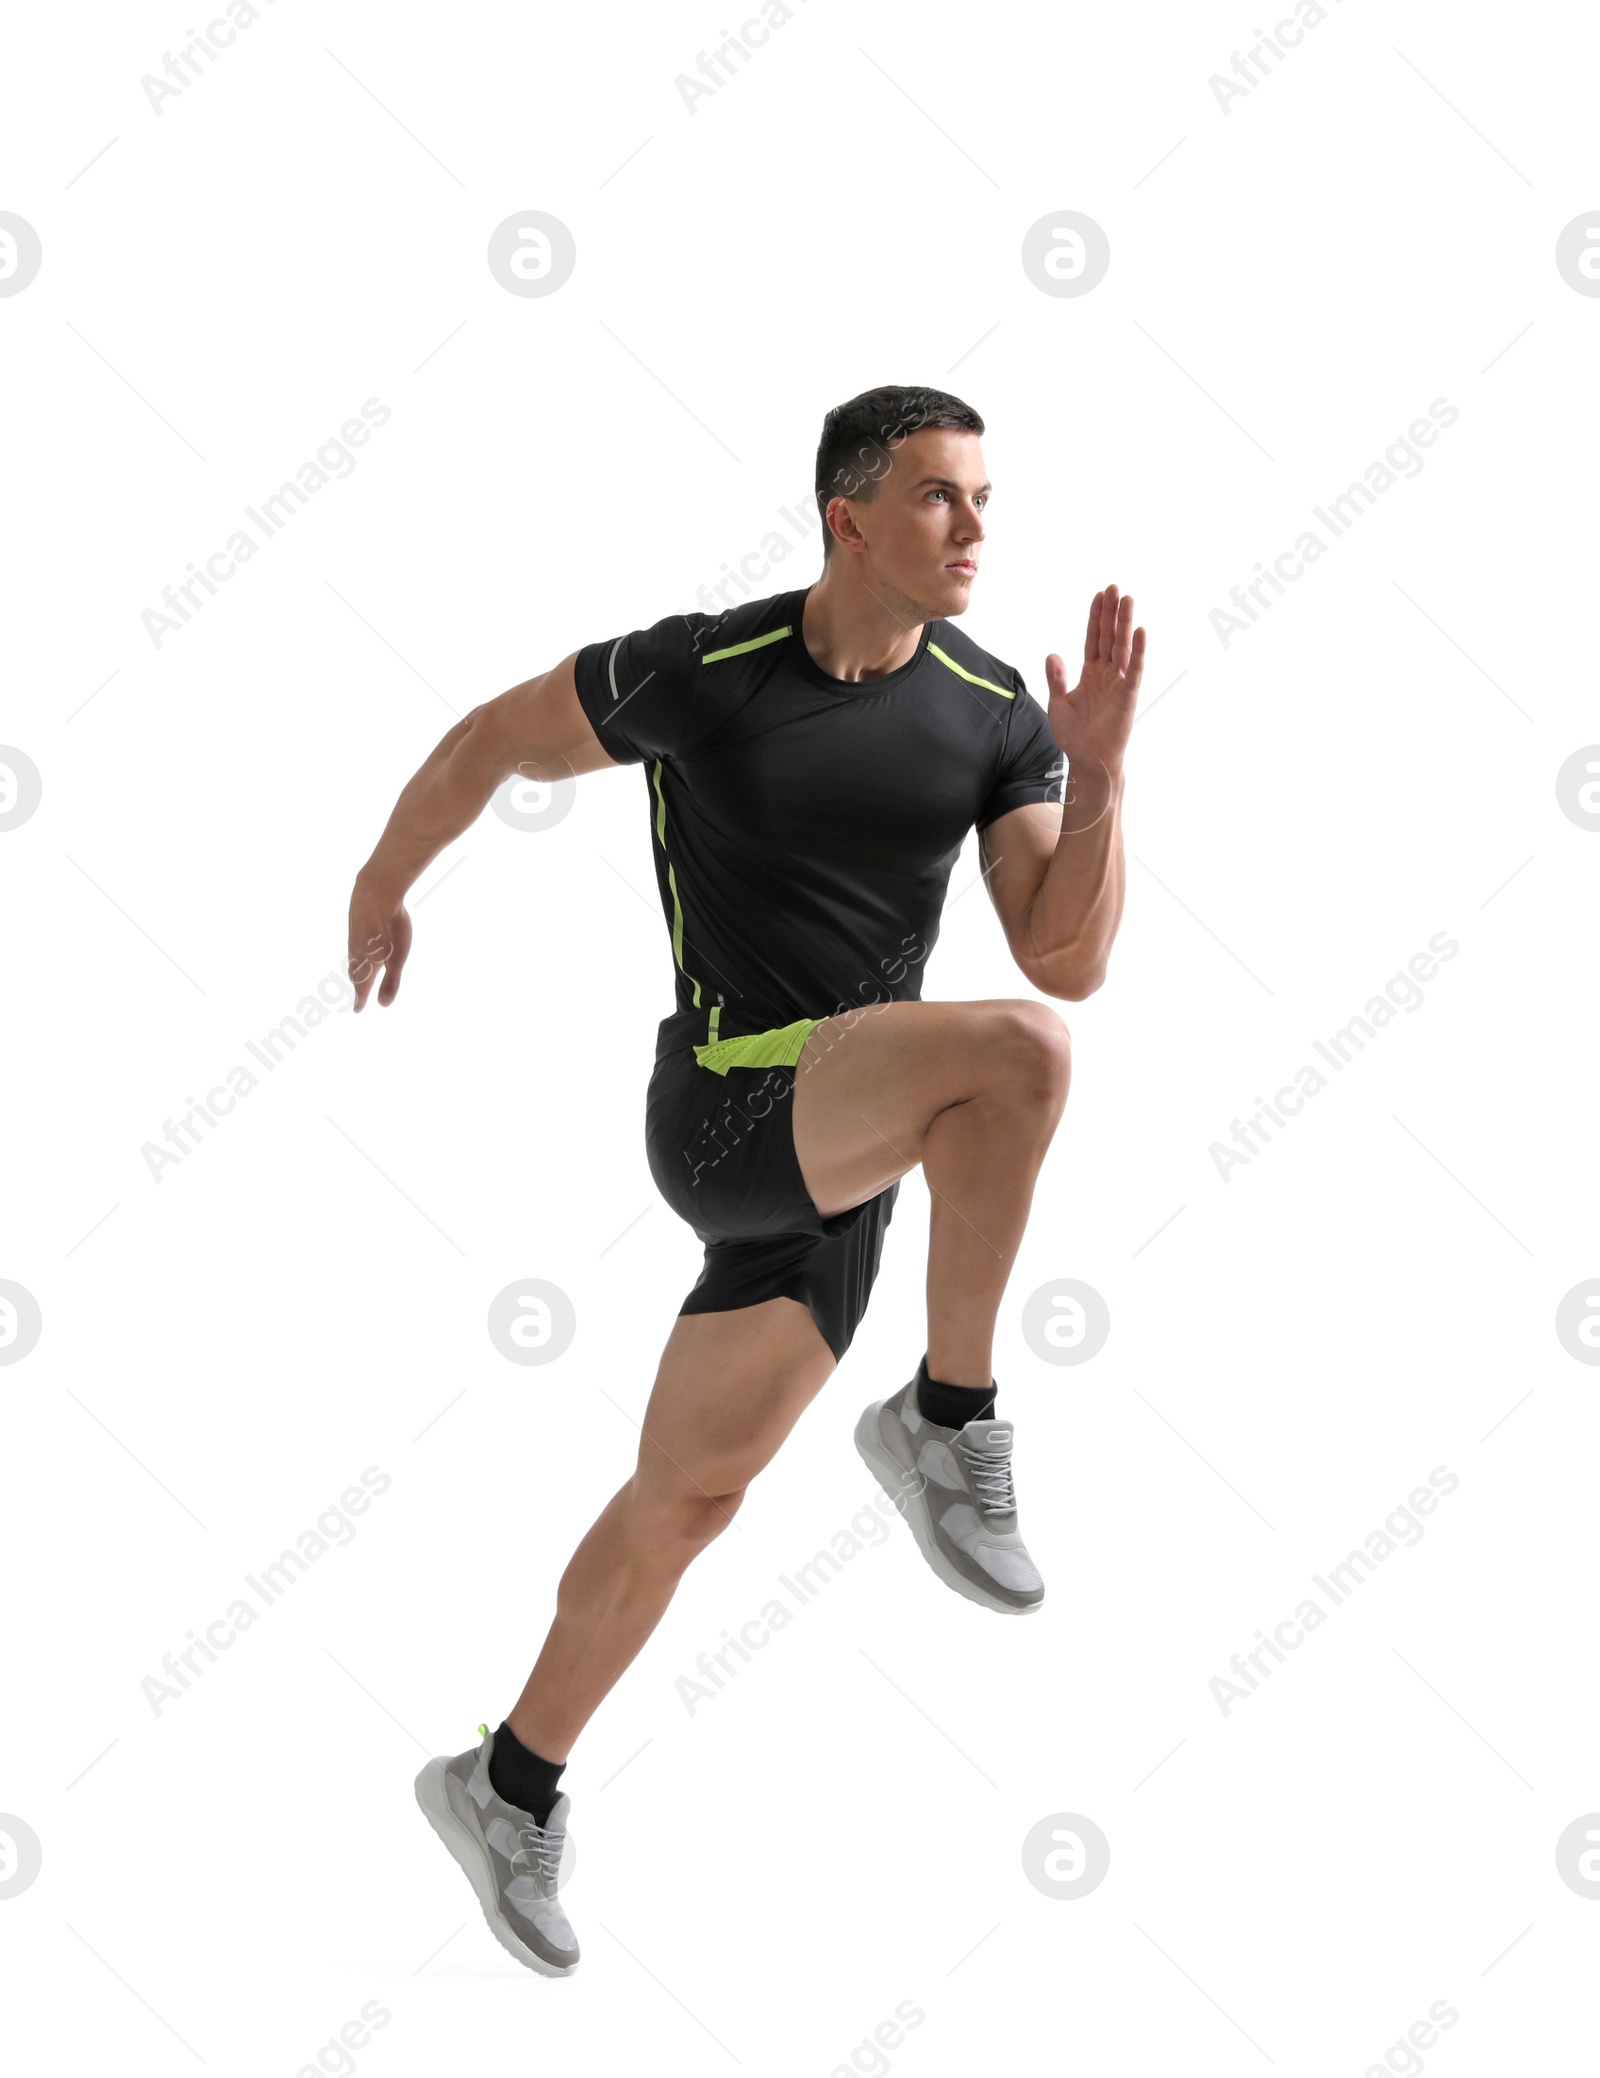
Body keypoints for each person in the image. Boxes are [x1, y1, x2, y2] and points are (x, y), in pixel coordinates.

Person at [345, 384, 1146, 1977]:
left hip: (846, 1165)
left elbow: (1065, 949)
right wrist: (382, 879)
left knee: (685, 1501)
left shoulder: (992, 709)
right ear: (849, 517)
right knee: (1024, 1058)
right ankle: (947, 1412)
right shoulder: (702, 671)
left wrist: (1104, 773)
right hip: (723, 1110)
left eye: (986, 498)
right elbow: (491, 737)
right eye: (939, 497)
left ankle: (505, 1784)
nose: (976, 528)